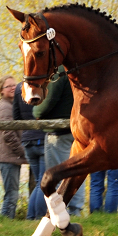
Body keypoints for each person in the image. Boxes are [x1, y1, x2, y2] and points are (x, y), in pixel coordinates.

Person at [33, 65, 85, 216]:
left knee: (58, 175)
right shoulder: (80, 68)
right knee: (76, 172)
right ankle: (76, 211)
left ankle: (61, 213)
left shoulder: (60, 72)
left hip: (58, 133)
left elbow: (47, 103)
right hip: (78, 131)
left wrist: (36, 111)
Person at [0, 75, 27, 218]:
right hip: (7, 158)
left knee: (12, 193)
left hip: (11, 157)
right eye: (8, 86)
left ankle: (8, 221)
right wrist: (23, 152)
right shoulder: (5, 107)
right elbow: (8, 134)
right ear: (1, 90)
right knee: (11, 195)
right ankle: (6, 221)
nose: (13, 88)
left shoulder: (12, 104)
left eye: (14, 85)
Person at [13, 83, 47, 220]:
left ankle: (31, 216)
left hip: (27, 139)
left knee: (39, 180)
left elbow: (16, 116)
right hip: (42, 138)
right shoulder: (44, 87)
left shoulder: (18, 88)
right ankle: (37, 216)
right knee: (43, 182)